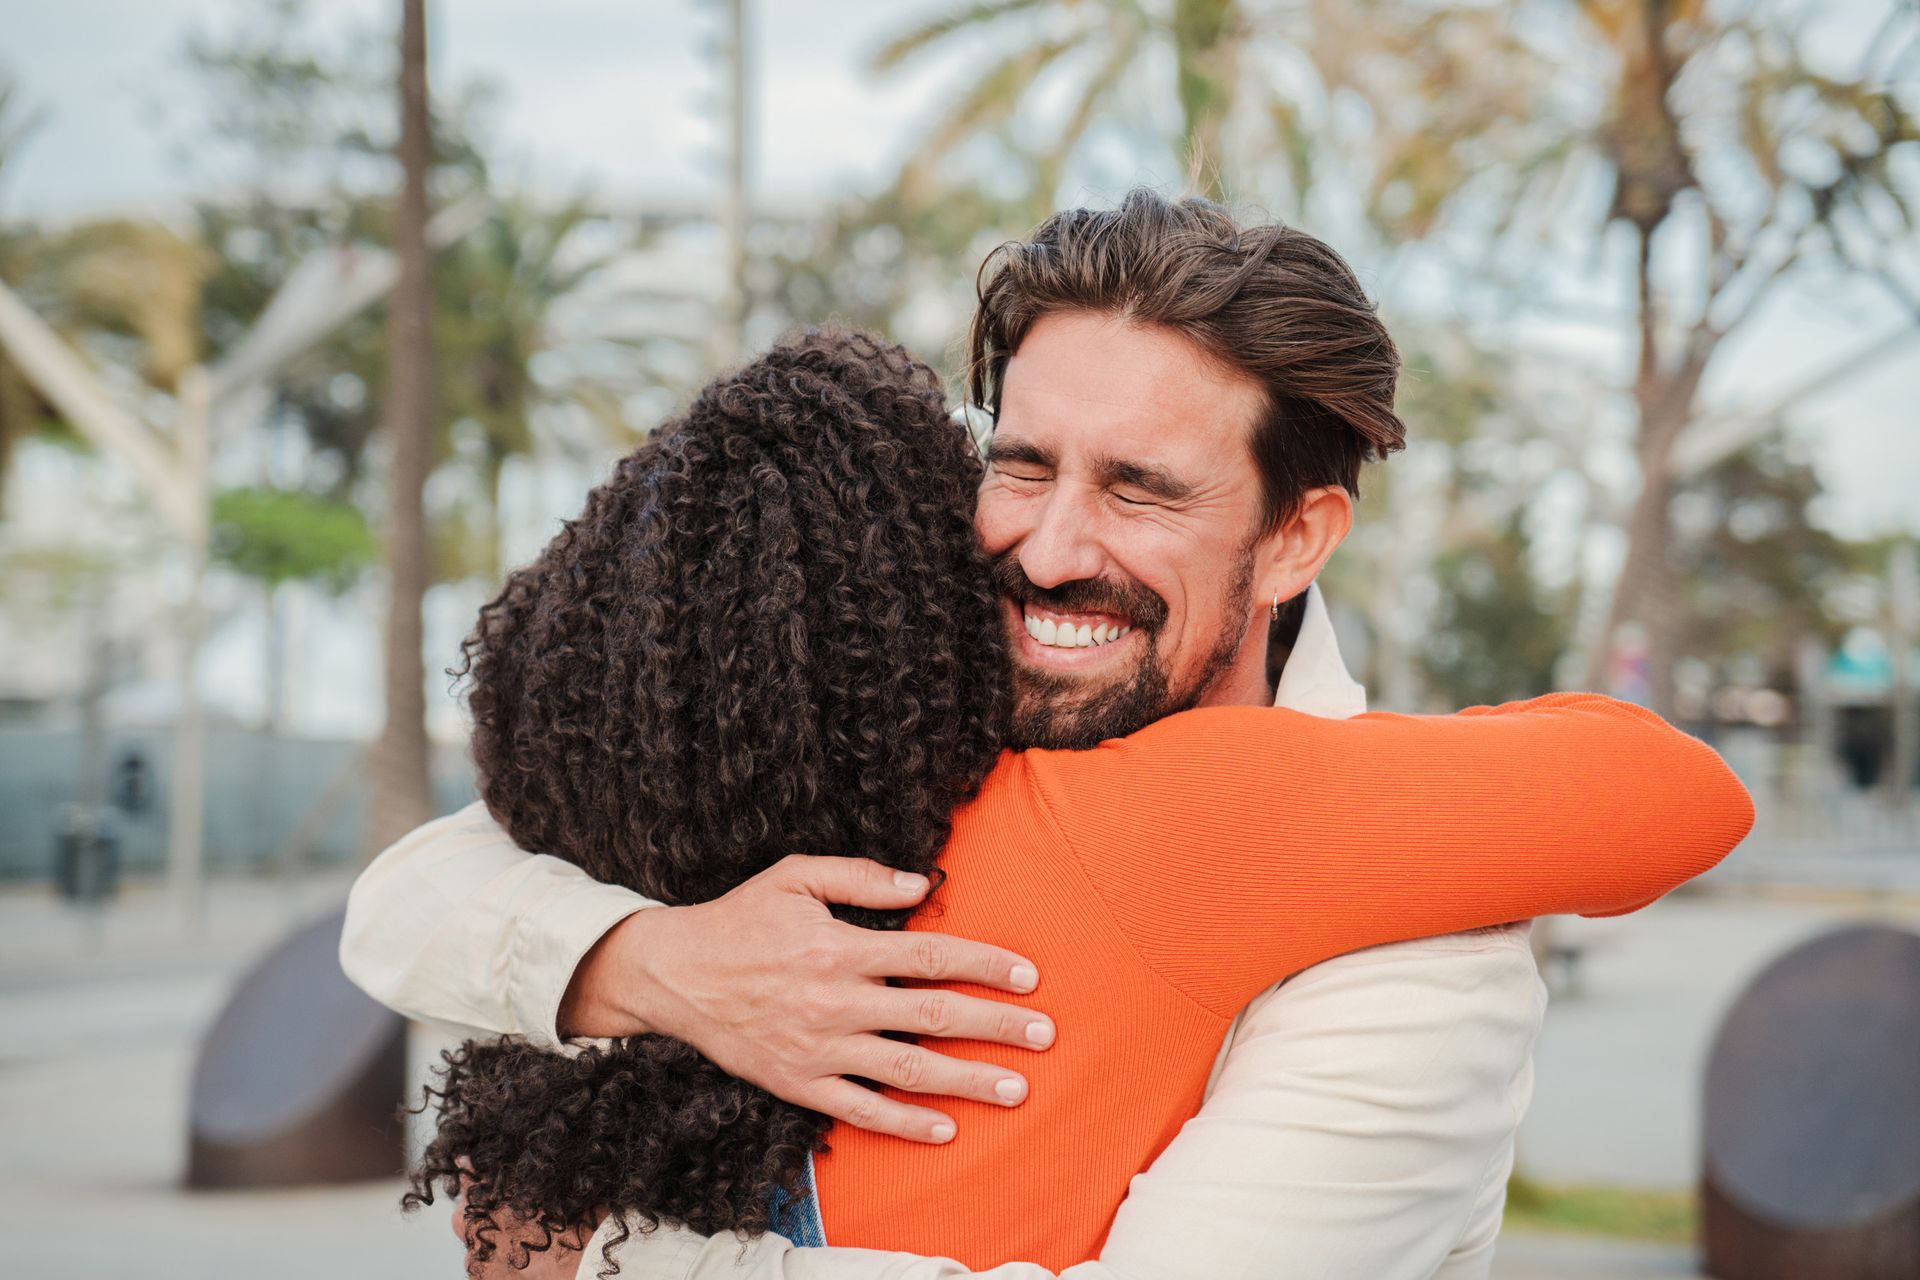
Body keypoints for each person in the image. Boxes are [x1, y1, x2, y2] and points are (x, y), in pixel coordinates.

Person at [344, 191, 1752, 1279]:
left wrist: (597, 1257)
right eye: (1020, 463)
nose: (1050, 546)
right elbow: (418, 893)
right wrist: (649, 962)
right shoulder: (900, 733)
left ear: (1296, 537)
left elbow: (1666, 790)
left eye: (1141, 489)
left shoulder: (1410, 936)